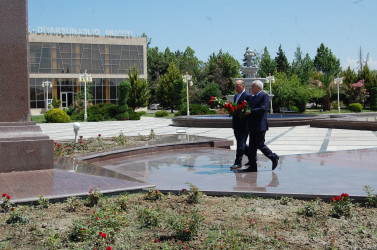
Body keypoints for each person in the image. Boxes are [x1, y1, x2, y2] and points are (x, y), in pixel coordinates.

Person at [243, 80, 279, 172]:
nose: (251, 88)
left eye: (253, 86)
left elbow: (263, 108)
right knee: (252, 147)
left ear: (258, 87)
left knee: (260, 145)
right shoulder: (253, 97)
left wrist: (250, 111)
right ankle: (253, 167)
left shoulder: (264, 95)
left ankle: (273, 157)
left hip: (260, 125)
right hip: (252, 126)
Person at [230, 80, 253, 169]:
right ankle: (252, 158)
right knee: (242, 144)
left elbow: (249, 109)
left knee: (240, 143)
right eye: (235, 86)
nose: (236, 88)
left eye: (237, 86)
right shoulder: (236, 96)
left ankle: (238, 162)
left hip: (244, 124)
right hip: (236, 123)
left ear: (243, 86)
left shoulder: (248, 96)